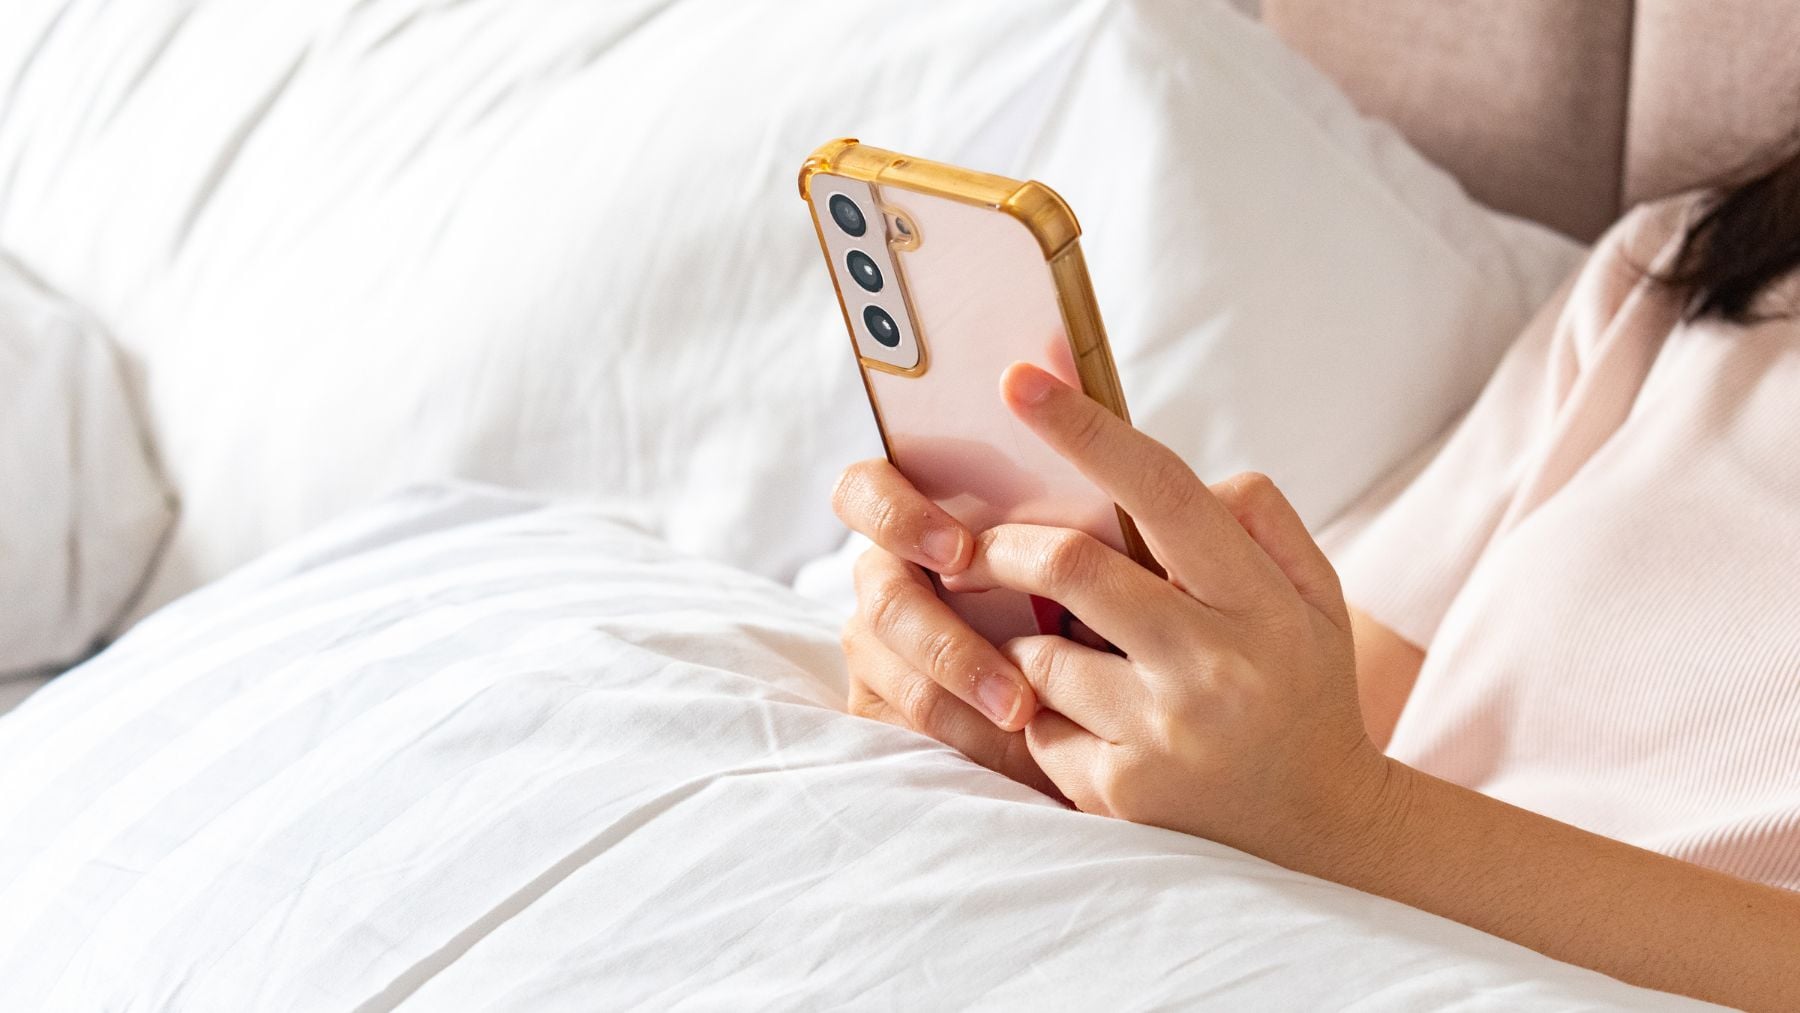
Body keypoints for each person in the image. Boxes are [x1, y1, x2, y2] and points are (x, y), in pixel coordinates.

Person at [830, 141, 1800, 1011]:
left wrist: (1348, 813)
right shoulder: (1689, 275)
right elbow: (1319, 725)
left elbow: (1320, 787)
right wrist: (1041, 696)